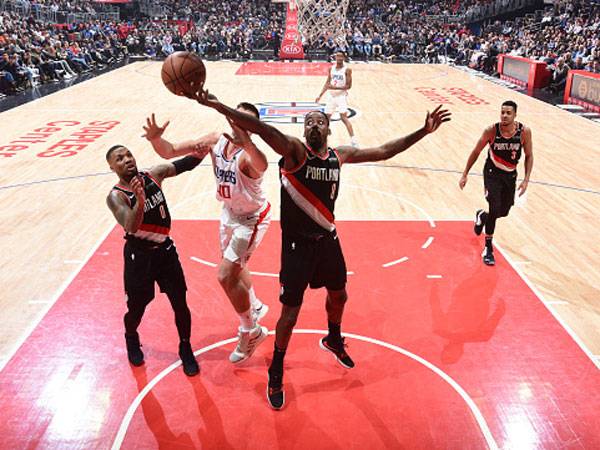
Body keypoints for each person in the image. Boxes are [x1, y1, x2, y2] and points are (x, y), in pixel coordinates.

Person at [190, 89, 450, 409]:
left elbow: (383, 151)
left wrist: (423, 131)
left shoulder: (338, 156)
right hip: (297, 247)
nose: (314, 125)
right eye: (309, 122)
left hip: (328, 240)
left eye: (320, 122)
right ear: (303, 130)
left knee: (339, 295)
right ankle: (276, 369)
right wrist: (217, 106)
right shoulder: (296, 153)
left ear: (328, 129)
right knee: (289, 315)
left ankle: (333, 338)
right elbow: (265, 130)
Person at [141, 104, 270, 365]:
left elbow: (262, 164)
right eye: (235, 118)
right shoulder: (215, 140)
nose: (237, 124)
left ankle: (251, 331)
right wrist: (156, 138)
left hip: (251, 219)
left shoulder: (249, 155)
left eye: (246, 123)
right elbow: (170, 150)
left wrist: (247, 139)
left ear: (253, 129)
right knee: (236, 266)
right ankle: (254, 305)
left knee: (225, 275)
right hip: (229, 213)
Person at [106, 144, 207, 376]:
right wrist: (140, 202)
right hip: (139, 256)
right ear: (112, 167)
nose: (127, 160)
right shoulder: (116, 196)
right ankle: (131, 336)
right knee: (137, 308)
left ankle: (185, 346)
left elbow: (183, 165)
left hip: (165, 251)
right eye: (120, 159)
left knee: (180, 302)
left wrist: (202, 152)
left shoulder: (153, 174)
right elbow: (130, 225)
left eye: (129, 154)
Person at [459, 100, 533, 266]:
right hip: (492, 173)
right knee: (494, 206)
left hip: (510, 176)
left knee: (504, 211)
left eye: (508, 113)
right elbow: (476, 151)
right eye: (502, 112)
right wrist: (465, 173)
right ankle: (488, 247)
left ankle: (482, 216)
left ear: (515, 115)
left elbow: (529, 155)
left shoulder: (524, 132)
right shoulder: (492, 131)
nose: (504, 115)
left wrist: (526, 180)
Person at [315, 50, 358, 147]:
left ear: (344, 58)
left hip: (341, 96)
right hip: (331, 96)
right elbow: (327, 83)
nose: (339, 58)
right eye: (337, 56)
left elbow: (348, 86)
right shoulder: (331, 68)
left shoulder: (347, 70)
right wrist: (320, 95)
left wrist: (335, 88)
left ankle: (353, 140)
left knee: (344, 118)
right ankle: (322, 140)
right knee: (326, 118)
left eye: (340, 56)